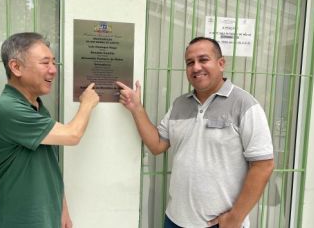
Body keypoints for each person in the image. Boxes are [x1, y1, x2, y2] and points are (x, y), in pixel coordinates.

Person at [116, 37, 274, 228]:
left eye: (203, 59)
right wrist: (136, 108)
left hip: (218, 224)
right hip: (175, 219)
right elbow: (157, 145)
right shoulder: (180, 104)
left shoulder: (244, 105)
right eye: (190, 63)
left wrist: (235, 218)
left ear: (221, 63)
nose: (196, 67)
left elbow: (263, 165)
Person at [0, 32, 99, 228]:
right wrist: (86, 104)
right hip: (10, 220)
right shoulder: (6, 108)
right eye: (45, 63)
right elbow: (72, 135)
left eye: (53, 62)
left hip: (42, 217)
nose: (53, 70)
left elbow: (48, 163)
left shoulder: (37, 107)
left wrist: (62, 209)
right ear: (16, 67)